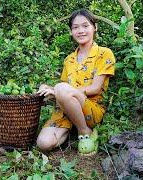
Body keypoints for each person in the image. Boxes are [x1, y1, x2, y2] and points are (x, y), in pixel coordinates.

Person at [36, 9, 115, 155]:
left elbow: (96, 88)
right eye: (75, 27)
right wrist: (48, 89)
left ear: (95, 27)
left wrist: (58, 90)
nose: (81, 31)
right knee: (43, 143)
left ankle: (85, 131)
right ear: (71, 31)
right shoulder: (69, 60)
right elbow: (63, 91)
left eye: (85, 26)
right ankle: (71, 127)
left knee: (60, 88)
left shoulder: (104, 53)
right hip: (66, 110)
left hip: (91, 109)